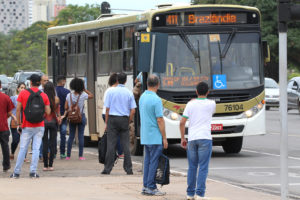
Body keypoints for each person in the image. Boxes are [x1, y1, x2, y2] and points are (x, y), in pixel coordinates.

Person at [180, 82, 216, 200]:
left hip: (192, 138)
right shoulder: (212, 104)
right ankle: (200, 194)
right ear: (208, 92)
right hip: (205, 137)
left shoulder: (190, 104)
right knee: (203, 167)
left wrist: (182, 138)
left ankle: (190, 194)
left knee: (192, 167)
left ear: (196, 91)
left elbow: (182, 122)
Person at [10, 74, 51, 178]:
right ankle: (33, 172)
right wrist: (42, 116)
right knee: (36, 149)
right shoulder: (44, 95)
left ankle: (16, 172)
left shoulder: (23, 93)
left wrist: (19, 123)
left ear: (31, 82)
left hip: (26, 125)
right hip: (39, 125)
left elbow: (18, 109)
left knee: (23, 148)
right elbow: (48, 111)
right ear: (39, 83)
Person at [139, 75, 168, 196]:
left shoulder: (142, 97)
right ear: (158, 85)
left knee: (147, 161)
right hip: (155, 136)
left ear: (146, 84)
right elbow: (160, 120)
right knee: (154, 162)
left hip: (145, 135)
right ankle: (151, 187)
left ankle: (146, 185)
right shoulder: (156, 100)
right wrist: (164, 138)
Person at [102, 72, 136, 175]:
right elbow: (133, 110)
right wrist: (128, 120)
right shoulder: (129, 92)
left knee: (111, 145)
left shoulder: (111, 92)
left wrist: (107, 123)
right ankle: (128, 169)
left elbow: (107, 109)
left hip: (112, 119)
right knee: (126, 145)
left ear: (117, 79)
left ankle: (107, 169)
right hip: (124, 119)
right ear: (125, 81)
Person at [62, 77, 93, 160]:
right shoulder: (83, 95)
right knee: (80, 136)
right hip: (81, 116)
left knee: (71, 136)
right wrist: (85, 89)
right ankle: (81, 156)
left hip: (72, 117)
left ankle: (68, 156)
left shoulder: (69, 95)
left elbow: (65, 107)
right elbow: (91, 96)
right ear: (81, 86)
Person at [102, 73, 123, 157]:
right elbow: (108, 106)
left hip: (106, 113)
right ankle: (120, 152)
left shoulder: (108, 90)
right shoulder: (115, 90)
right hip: (110, 114)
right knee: (117, 134)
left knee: (113, 133)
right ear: (117, 81)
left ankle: (114, 152)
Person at [43, 82, 61, 171]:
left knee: (45, 143)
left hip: (44, 121)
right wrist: (59, 118)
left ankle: (45, 165)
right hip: (53, 121)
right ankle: (51, 165)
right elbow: (58, 111)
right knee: (52, 143)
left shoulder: (42, 98)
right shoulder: (56, 99)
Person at [0, 80, 15, 172]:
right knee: (5, 146)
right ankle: (6, 165)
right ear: (1, 86)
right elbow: (10, 113)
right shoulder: (5, 97)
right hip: (3, 126)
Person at [10, 83, 26, 161]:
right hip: (15, 122)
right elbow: (9, 109)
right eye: (21, 87)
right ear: (18, 89)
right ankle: (12, 152)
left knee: (25, 140)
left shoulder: (27, 98)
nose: (23, 89)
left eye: (24, 88)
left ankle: (24, 156)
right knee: (16, 140)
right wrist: (13, 116)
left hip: (25, 122)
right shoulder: (13, 98)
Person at [55, 75, 70, 159]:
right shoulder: (67, 92)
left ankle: (53, 153)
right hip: (63, 116)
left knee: (53, 135)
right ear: (63, 81)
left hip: (55, 116)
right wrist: (64, 114)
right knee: (63, 134)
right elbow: (68, 105)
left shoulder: (53, 91)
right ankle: (62, 153)